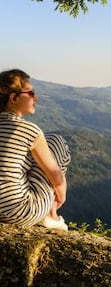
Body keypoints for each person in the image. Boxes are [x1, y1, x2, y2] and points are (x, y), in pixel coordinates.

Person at [0, 69, 71, 231]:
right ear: (13, 98)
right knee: (55, 141)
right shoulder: (29, 131)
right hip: (21, 212)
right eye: (31, 93)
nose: (35, 97)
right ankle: (51, 215)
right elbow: (55, 175)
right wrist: (60, 196)